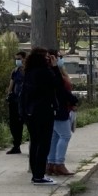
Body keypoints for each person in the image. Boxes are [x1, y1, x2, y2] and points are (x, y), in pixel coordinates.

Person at [19, 47, 61, 184]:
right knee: (44, 144)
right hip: (43, 111)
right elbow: (57, 85)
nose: (49, 59)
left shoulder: (29, 72)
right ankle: (39, 175)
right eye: (47, 57)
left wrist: (24, 112)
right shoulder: (44, 72)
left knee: (35, 143)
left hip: (31, 112)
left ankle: (36, 174)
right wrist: (55, 67)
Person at [46, 49, 79, 176]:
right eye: (59, 57)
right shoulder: (53, 72)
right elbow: (60, 90)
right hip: (58, 108)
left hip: (60, 107)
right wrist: (73, 100)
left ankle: (51, 163)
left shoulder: (59, 72)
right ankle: (59, 163)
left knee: (55, 136)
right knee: (65, 136)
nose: (61, 59)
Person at [5, 50, 26, 154]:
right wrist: (9, 94)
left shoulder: (29, 71)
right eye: (16, 59)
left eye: (19, 59)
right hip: (15, 101)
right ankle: (16, 146)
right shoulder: (15, 71)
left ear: (24, 59)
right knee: (14, 125)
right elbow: (11, 85)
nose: (17, 61)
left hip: (25, 102)